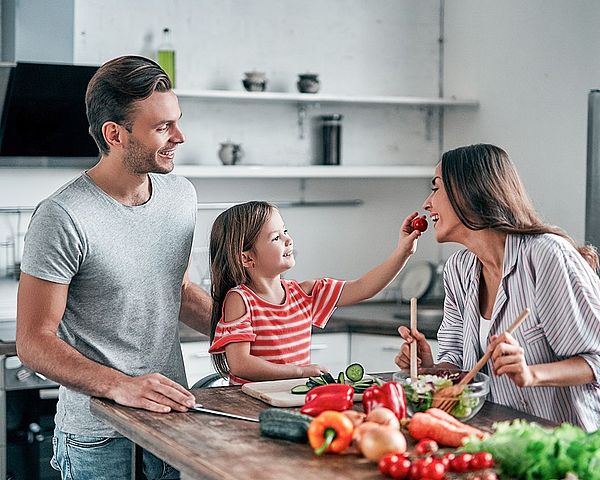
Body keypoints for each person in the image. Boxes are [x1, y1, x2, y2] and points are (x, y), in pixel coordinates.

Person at [16, 56, 212, 479]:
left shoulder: (180, 196)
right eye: (163, 127)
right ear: (114, 134)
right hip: (97, 438)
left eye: (176, 121)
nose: (180, 136)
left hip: (168, 422)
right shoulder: (62, 216)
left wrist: (256, 333)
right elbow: (33, 341)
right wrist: (120, 385)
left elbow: (176, 291)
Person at [395, 143, 600, 432]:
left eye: (436, 188)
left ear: (469, 193)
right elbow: (457, 366)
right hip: (499, 439)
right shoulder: (459, 270)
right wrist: (430, 369)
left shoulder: (545, 256)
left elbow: (596, 360)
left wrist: (531, 374)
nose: (428, 203)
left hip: (561, 447)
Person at [208, 201, 422, 384]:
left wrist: (403, 252)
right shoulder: (240, 299)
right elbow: (240, 365)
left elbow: (364, 287)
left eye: (285, 231)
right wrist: (300, 372)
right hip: (250, 401)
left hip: (292, 397)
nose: (288, 239)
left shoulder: (305, 294)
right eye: (275, 237)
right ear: (246, 258)